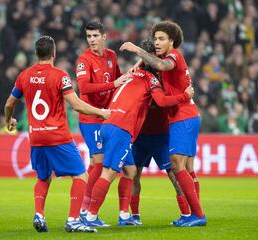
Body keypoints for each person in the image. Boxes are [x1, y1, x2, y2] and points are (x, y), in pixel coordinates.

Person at [4, 35, 112, 233]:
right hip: (58, 136)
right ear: (54, 53)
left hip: (36, 137)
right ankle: (72, 220)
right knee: (81, 176)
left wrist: (8, 120)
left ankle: (39, 214)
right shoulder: (59, 75)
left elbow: (10, 103)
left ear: (37, 53)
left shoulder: (24, 75)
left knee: (43, 177)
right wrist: (101, 112)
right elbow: (76, 104)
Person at [83, 59, 194, 227]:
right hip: (122, 128)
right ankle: (90, 216)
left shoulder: (130, 74)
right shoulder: (151, 79)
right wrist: (186, 96)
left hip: (111, 123)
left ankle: (125, 215)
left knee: (130, 171)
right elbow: (162, 101)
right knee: (109, 172)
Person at [120, 20, 207, 227]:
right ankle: (192, 214)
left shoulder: (174, 56)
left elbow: (161, 65)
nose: (157, 43)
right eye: (156, 39)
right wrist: (141, 62)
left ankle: (196, 214)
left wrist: (136, 50)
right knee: (184, 167)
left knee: (178, 165)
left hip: (183, 116)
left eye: (161, 39)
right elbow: (155, 62)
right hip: (180, 117)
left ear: (172, 41)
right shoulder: (163, 57)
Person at [130, 39, 188, 226]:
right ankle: (134, 215)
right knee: (133, 175)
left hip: (161, 134)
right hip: (141, 134)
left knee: (174, 174)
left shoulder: (165, 73)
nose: (150, 58)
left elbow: (165, 99)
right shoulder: (137, 74)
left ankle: (186, 213)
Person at [75, 21, 128, 223]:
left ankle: (85, 208)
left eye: (95, 36)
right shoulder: (84, 60)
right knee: (99, 160)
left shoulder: (111, 56)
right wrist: (113, 84)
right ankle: (85, 209)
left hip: (107, 117)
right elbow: (85, 88)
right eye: (89, 36)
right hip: (90, 116)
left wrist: (130, 78)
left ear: (104, 36)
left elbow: (118, 79)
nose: (92, 40)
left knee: (97, 162)